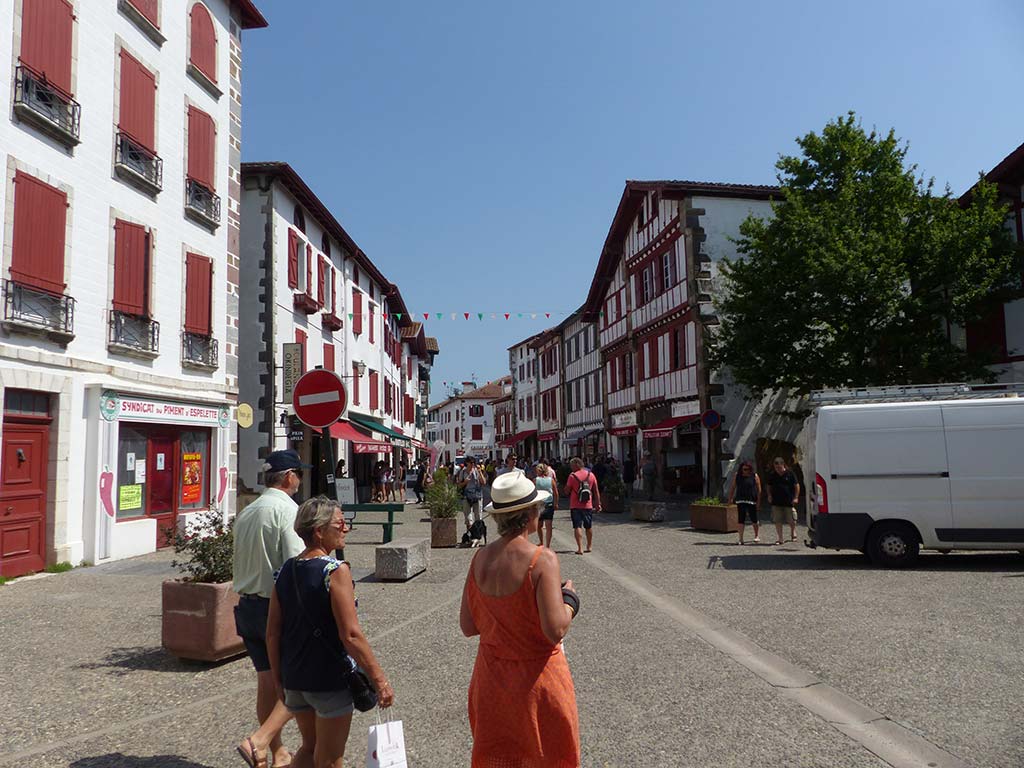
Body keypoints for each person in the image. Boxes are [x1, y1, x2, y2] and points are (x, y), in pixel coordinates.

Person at [460, 471, 581, 768]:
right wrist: (569, 600)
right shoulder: (542, 559)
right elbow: (555, 629)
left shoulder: (480, 559)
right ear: (529, 515)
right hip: (537, 680)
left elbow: (468, 626)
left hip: (492, 681)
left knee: (500, 759)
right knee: (547, 758)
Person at [267, 496, 395, 768]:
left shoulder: (286, 570)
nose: (345, 528)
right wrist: (379, 679)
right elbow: (351, 635)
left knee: (309, 748)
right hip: (327, 679)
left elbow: (273, 632)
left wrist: (279, 679)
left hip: (295, 676)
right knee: (330, 759)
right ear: (319, 531)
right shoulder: (335, 571)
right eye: (339, 524)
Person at [233, 449, 309, 768]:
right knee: (305, 680)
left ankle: (276, 753)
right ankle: (259, 741)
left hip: (247, 606)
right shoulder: (287, 511)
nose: (300, 480)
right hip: (276, 608)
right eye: (299, 474)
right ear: (289, 477)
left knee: (267, 682)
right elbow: (296, 564)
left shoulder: (248, 511)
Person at [564, 456, 601, 555]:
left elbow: (567, 491)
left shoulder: (572, 476)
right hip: (588, 505)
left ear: (576, 465)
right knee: (588, 526)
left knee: (577, 526)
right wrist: (598, 504)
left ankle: (580, 548)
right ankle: (589, 546)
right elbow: (596, 491)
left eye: (572, 465)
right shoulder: (591, 475)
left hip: (575, 505)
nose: (571, 467)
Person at [766, 456, 800, 545]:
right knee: (777, 520)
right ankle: (780, 538)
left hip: (788, 500)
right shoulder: (772, 475)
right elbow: (769, 486)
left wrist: (796, 497)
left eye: (779, 466)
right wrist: (769, 495)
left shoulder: (790, 473)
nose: (778, 469)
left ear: (783, 464)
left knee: (791, 519)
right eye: (776, 467)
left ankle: (793, 532)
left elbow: (796, 486)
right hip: (776, 501)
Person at [728, 460, 761, 545]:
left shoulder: (754, 476)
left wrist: (758, 501)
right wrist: (730, 498)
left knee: (754, 518)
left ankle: (756, 535)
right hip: (741, 500)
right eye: (744, 469)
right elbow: (733, 487)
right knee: (741, 519)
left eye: (748, 469)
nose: (746, 471)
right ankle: (741, 538)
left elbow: (759, 489)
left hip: (751, 500)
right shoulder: (737, 475)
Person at [456, 456, 488, 545]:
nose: (473, 464)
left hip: (477, 496)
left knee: (478, 518)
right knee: (468, 519)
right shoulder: (463, 472)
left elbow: (484, 482)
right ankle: (470, 537)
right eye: (471, 463)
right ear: (467, 463)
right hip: (466, 496)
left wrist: (480, 472)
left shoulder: (477, 471)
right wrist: (465, 482)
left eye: (474, 463)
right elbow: (459, 485)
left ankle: (478, 537)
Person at [533, 462, 558, 548]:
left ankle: (541, 541)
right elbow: (556, 493)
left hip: (539, 504)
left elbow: (532, 493)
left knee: (539, 525)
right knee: (548, 526)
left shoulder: (535, 480)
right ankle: (548, 545)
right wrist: (556, 503)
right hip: (549, 504)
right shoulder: (551, 480)